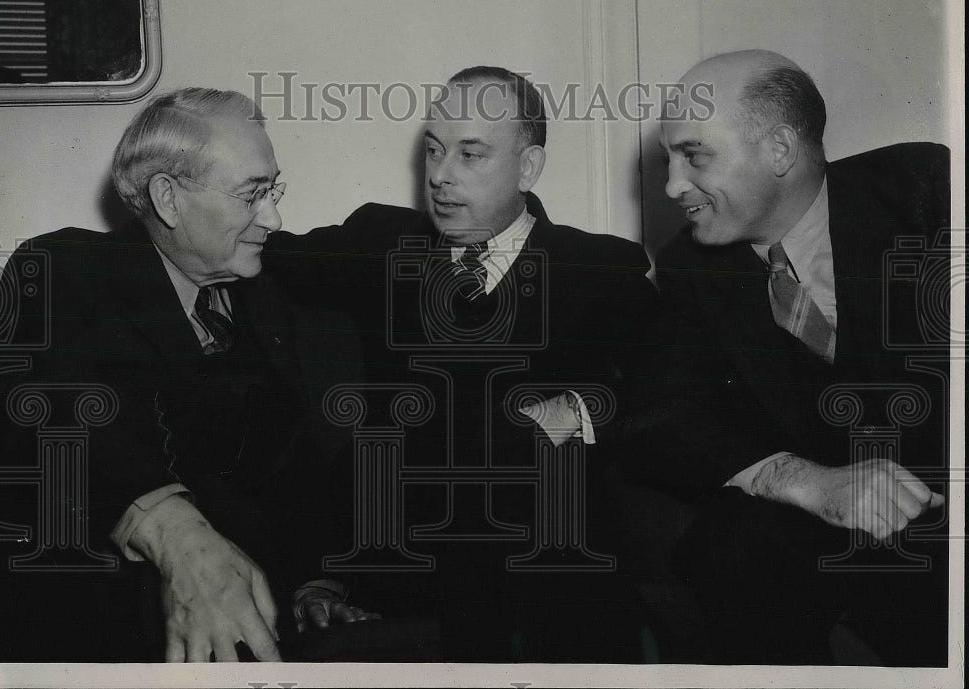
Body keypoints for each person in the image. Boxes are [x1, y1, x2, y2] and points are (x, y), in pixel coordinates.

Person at [264, 66, 660, 661]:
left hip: (548, 559)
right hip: (408, 556)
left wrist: (572, 410)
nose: (441, 177)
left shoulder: (601, 272)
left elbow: (666, 397)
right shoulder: (380, 242)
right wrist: (327, 575)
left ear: (528, 168)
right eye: (434, 151)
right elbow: (253, 251)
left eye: (471, 155)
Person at [0, 88, 374, 662]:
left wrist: (319, 583)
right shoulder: (69, 269)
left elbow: (300, 471)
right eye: (252, 195)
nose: (274, 217)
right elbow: (76, 403)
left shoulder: (264, 298)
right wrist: (173, 532)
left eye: (274, 191)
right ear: (168, 198)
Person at [600, 49, 950, 664]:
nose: (673, 186)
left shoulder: (927, 193)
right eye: (668, 160)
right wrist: (808, 481)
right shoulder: (691, 265)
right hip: (826, 527)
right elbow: (659, 417)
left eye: (695, 155)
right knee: (732, 547)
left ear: (780, 150)